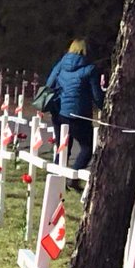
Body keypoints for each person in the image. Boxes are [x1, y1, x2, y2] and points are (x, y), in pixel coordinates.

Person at [45, 38, 104, 172]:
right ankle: (74, 175)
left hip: (59, 112)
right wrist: (105, 109)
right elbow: (97, 96)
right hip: (78, 114)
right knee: (87, 147)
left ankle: (54, 179)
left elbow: (49, 84)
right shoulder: (90, 69)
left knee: (63, 147)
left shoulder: (61, 64)